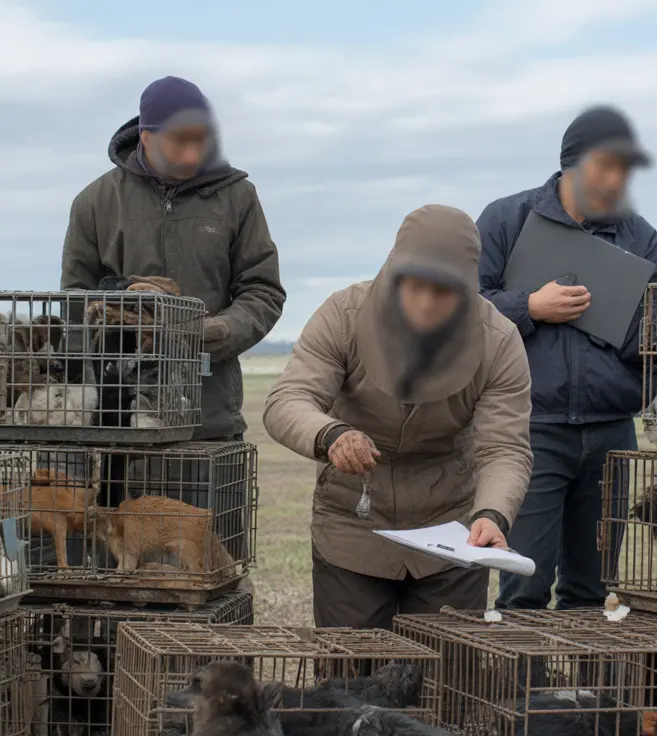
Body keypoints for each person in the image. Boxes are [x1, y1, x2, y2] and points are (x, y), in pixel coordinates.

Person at [263, 204, 534, 630]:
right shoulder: (342, 316)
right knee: (347, 680)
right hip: (352, 528)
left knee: (448, 678)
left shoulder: (499, 341)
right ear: (393, 272)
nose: (426, 304)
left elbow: (504, 448)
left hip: (451, 535)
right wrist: (330, 435)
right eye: (416, 286)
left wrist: (492, 515)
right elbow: (288, 400)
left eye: (443, 291)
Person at [477, 105, 657, 611]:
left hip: (611, 432)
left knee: (592, 587)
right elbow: (464, 304)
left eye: (624, 170)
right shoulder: (506, 219)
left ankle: (583, 694)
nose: (616, 179)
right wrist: (529, 307)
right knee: (524, 581)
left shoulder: (639, 235)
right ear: (571, 163)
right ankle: (524, 692)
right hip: (531, 428)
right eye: (605, 165)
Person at [61, 75, 286, 441]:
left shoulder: (238, 197)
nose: (192, 154)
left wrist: (217, 331)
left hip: (208, 415)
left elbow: (263, 291)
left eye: (201, 140)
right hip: (120, 421)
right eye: (179, 142)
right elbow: (74, 300)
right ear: (146, 137)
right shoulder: (93, 203)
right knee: (119, 502)